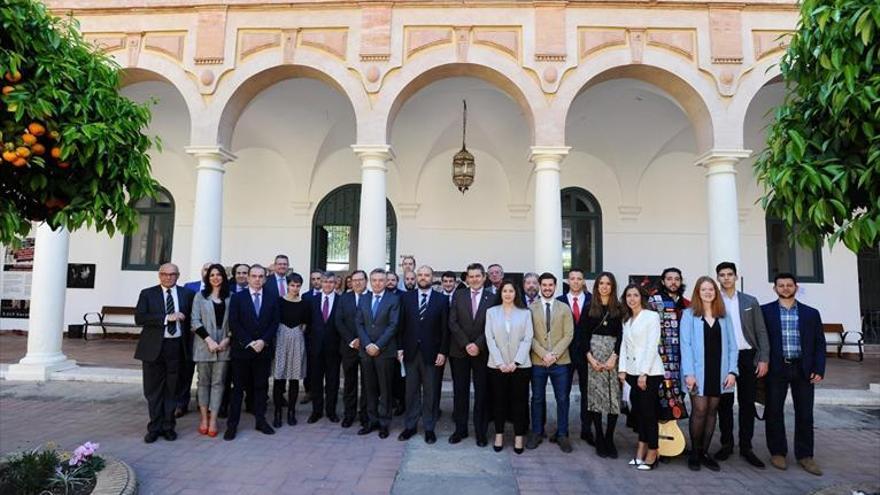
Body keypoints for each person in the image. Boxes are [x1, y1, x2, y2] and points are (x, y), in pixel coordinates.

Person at [762, 273, 826, 476]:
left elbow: (819, 343)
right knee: (773, 411)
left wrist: (819, 368)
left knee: (805, 413)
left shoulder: (811, 313)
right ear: (775, 288)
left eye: (789, 285)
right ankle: (778, 452)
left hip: (803, 369)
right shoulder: (765, 312)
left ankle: (805, 455)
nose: (785, 288)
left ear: (796, 287)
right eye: (781, 285)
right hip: (776, 368)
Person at [714, 262, 770, 468]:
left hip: (747, 357)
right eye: (722, 275)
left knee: (747, 403)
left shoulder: (749, 301)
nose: (726, 278)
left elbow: (761, 331)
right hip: (723, 358)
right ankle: (726, 444)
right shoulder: (713, 300)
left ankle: (746, 447)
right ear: (718, 278)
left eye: (730, 274)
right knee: (724, 404)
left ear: (736, 277)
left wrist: (763, 358)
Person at [680, 276, 739, 471]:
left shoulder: (724, 316)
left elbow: (732, 346)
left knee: (712, 412)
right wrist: (688, 373)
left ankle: (705, 452)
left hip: (719, 372)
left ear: (715, 292)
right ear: (697, 292)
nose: (707, 292)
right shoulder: (689, 315)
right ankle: (695, 453)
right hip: (697, 372)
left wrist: (732, 371)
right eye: (704, 289)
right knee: (699, 411)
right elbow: (685, 346)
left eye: (711, 289)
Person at [134, 263, 195, 443]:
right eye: (165, 274)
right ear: (159, 275)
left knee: (172, 389)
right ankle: (154, 427)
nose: (168, 277)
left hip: (176, 346)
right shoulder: (147, 293)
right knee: (153, 391)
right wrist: (167, 317)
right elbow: (140, 318)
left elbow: (193, 318)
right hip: (153, 348)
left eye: (172, 274)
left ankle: (169, 426)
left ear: (178, 275)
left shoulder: (187, 294)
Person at [224, 264, 279, 440]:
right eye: (253, 276)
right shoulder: (238, 298)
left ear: (265, 278)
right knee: (238, 389)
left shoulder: (272, 297)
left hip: (263, 351)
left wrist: (263, 341)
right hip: (242, 351)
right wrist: (249, 342)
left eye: (260, 276)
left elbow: (274, 323)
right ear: (247, 278)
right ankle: (232, 425)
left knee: (261, 388)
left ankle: (260, 421)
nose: (257, 279)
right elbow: (234, 322)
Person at [397, 265, 449, 444]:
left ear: (432, 277)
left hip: (432, 353)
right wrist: (400, 348)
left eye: (427, 275)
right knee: (410, 391)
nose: (423, 278)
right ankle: (410, 426)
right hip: (410, 352)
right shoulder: (405, 297)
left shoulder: (441, 300)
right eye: (420, 275)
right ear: (416, 277)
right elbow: (400, 325)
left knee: (430, 392)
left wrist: (443, 351)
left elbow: (445, 329)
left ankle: (429, 427)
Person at [448, 263, 496, 447]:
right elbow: (452, 322)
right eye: (471, 276)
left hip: (483, 352)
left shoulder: (492, 298)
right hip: (459, 351)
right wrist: (466, 344)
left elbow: (493, 325)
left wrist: (477, 344)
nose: (474, 279)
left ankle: (480, 431)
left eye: (478, 276)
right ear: (467, 279)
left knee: (482, 392)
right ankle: (460, 429)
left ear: (484, 277)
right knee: (460, 392)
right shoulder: (458, 295)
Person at [526, 272, 574, 453]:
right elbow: (528, 335)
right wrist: (543, 354)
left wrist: (553, 354)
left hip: (560, 362)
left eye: (550, 285)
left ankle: (562, 434)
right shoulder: (531, 308)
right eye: (544, 285)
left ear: (555, 287)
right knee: (537, 398)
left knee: (562, 399)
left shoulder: (564, 308)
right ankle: (537, 432)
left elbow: (569, 334)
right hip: (538, 362)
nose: (547, 288)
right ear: (539, 286)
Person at [618, 284, 664, 470]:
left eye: (635, 295)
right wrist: (622, 370)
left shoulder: (651, 317)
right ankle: (640, 449)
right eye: (628, 295)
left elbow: (652, 346)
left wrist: (644, 373)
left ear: (641, 297)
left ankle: (653, 451)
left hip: (650, 372)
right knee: (639, 414)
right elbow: (624, 346)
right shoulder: (627, 319)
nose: (632, 299)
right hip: (631, 372)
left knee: (649, 413)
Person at [485, 279, 533, 454]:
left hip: (520, 366)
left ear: (516, 293)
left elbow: (528, 339)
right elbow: (489, 338)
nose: (507, 294)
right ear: (501, 293)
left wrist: (515, 362)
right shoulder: (491, 312)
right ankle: (499, 434)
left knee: (519, 402)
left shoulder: (525, 313)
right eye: (504, 291)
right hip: (497, 366)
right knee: (499, 401)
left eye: (511, 291)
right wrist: (500, 362)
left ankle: (518, 436)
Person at [356, 269, 401, 438]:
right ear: (369, 282)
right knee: (369, 389)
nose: (377, 283)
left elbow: (393, 326)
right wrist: (367, 344)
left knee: (385, 389)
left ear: (385, 281)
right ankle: (371, 421)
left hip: (385, 352)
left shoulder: (394, 299)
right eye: (374, 280)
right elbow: (359, 323)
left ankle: (384, 423)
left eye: (381, 280)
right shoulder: (364, 298)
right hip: (366, 351)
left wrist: (378, 345)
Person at [584, 272, 623, 458]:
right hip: (594, 356)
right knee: (596, 399)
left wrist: (614, 356)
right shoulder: (589, 307)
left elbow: (623, 335)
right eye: (601, 283)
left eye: (608, 283)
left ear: (613, 286)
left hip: (612, 357)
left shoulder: (620, 309)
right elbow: (582, 336)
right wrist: (590, 358)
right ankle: (599, 436)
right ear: (596, 286)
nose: (604, 286)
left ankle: (609, 438)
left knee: (613, 399)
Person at [190, 264, 231, 438]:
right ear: (208, 278)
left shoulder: (231, 297)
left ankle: (213, 420)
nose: (215, 277)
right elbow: (194, 321)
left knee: (218, 383)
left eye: (219, 274)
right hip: (204, 346)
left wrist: (227, 339)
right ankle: (204, 419)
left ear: (223, 277)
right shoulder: (200, 296)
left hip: (224, 346)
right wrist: (209, 341)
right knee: (203, 383)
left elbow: (236, 322)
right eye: (212, 274)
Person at [649, 267, 691, 424]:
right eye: (669, 278)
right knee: (659, 398)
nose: (673, 282)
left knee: (677, 398)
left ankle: (672, 441)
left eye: (677, 279)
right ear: (662, 281)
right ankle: (656, 439)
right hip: (660, 358)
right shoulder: (653, 302)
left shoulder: (686, 304)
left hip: (682, 358)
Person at [557, 268, 594, 445]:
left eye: (579, 279)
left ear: (583, 281)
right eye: (572, 279)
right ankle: (561, 430)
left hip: (587, 354)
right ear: (568, 281)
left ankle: (586, 430)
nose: (576, 282)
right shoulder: (559, 301)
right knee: (562, 394)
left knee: (586, 393)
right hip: (565, 354)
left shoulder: (592, 301)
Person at [272, 273, 309, 428]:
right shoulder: (279, 302)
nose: (295, 288)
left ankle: (291, 412)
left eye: (298, 285)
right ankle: (278, 412)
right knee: (279, 378)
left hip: (297, 338)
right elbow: (274, 321)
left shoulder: (305, 303)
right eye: (292, 285)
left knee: (294, 378)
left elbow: (307, 323)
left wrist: (298, 333)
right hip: (281, 338)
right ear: (287, 285)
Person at [335, 270, 369, 428]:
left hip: (367, 347)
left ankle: (365, 414)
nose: (357, 283)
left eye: (360, 280)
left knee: (368, 382)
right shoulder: (344, 298)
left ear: (365, 281)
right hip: (349, 347)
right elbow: (339, 321)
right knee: (350, 382)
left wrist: (363, 341)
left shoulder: (371, 297)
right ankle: (349, 414)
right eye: (354, 280)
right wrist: (351, 340)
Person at [308, 271, 342, 423]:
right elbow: (307, 324)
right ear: (320, 283)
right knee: (315, 381)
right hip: (315, 348)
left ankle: (331, 411)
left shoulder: (342, 301)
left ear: (335, 284)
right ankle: (316, 411)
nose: (328, 284)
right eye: (325, 282)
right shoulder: (311, 300)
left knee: (332, 381)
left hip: (334, 349)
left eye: (331, 282)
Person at [220, 263, 252, 418]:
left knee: (250, 376)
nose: (241, 275)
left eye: (245, 272)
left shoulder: (256, 291)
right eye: (238, 272)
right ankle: (224, 406)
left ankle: (251, 404)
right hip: (229, 339)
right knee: (228, 376)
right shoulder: (226, 289)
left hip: (251, 341)